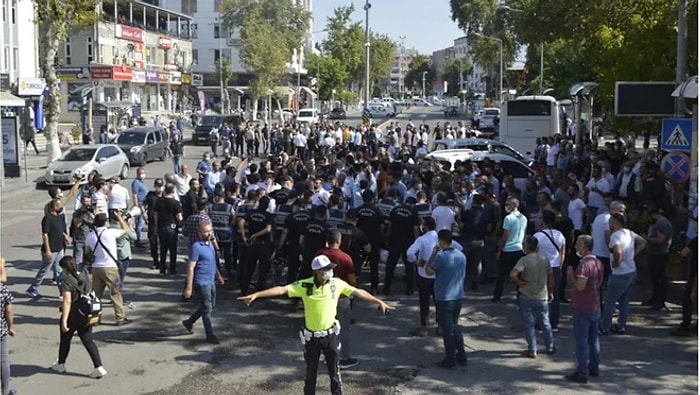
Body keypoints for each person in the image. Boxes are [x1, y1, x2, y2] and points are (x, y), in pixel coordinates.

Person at [238, 255, 392, 395]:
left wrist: (378, 301)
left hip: (330, 336)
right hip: (312, 338)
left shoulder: (336, 284)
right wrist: (257, 295)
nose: (330, 272)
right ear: (317, 271)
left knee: (334, 373)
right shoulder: (305, 286)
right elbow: (282, 289)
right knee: (311, 374)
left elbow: (358, 292)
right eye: (326, 270)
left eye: (330, 269)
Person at [50, 256, 106, 379]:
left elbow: (67, 301)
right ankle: (99, 367)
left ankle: (61, 364)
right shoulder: (83, 276)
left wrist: (64, 320)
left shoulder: (66, 281)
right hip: (86, 313)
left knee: (65, 340)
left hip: (73, 314)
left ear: (64, 268)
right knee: (88, 341)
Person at [315, 230, 359, 369]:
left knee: (326, 327)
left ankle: (326, 355)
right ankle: (344, 358)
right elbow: (352, 280)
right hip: (341, 297)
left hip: (324, 297)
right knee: (343, 328)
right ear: (339, 241)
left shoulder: (319, 255)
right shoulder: (345, 258)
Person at [424, 230, 468, 368]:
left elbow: (428, 271)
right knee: (455, 326)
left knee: (447, 329)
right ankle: (461, 354)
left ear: (441, 241)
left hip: (444, 297)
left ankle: (450, 359)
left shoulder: (442, 256)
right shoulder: (461, 255)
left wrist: (433, 254)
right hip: (458, 296)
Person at [564, 235, 604, 384]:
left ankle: (582, 372)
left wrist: (571, 277)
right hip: (594, 305)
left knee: (582, 341)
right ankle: (594, 368)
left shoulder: (584, 265)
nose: (575, 247)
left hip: (582, 307)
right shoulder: (598, 263)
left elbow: (580, 286)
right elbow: (598, 284)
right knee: (594, 340)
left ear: (584, 246)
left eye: (578, 245)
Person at [600, 213, 647, 334]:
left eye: (610, 222)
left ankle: (605, 327)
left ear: (614, 223)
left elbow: (618, 252)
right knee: (625, 300)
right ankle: (621, 325)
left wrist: (616, 262)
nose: (609, 224)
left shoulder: (615, 236)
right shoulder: (629, 233)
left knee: (610, 300)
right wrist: (632, 254)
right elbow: (642, 241)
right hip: (632, 270)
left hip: (619, 273)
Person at [509, 236, 555, 358]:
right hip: (542, 295)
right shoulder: (545, 260)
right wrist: (550, 292)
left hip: (527, 294)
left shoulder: (524, 260)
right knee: (545, 322)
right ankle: (550, 346)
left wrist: (519, 282)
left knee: (529, 324)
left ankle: (532, 349)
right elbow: (551, 279)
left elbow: (513, 274)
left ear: (526, 247)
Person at [182, 222, 226, 344]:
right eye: (206, 231)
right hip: (202, 283)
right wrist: (189, 288)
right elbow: (191, 267)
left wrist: (218, 276)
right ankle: (210, 335)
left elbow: (212, 262)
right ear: (199, 233)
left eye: (210, 231)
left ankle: (189, 321)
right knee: (207, 309)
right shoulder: (196, 247)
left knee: (210, 306)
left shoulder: (210, 244)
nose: (209, 233)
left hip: (211, 280)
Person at [85, 212, 130, 326]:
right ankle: (120, 317)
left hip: (96, 267)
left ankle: (95, 319)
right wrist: (120, 217)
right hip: (110, 267)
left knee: (96, 295)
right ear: (106, 222)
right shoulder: (110, 232)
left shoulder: (90, 235)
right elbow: (125, 229)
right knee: (115, 293)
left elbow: (87, 253)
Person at [27, 198, 68, 299]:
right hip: (51, 249)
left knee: (59, 270)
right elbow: (45, 235)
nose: (61, 207)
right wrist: (48, 250)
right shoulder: (47, 218)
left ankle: (62, 291)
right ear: (54, 207)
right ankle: (33, 288)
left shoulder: (60, 217)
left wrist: (65, 236)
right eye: (59, 205)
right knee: (44, 270)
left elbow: (61, 230)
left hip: (59, 248)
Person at [533, 210, 566, 332]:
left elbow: (534, 252)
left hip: (542, 267)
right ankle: (554, 323)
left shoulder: (538, 236)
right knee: (555, 296)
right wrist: (560, 264)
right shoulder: (560, 235)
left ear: (543, 221)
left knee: (541, 296)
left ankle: (541, 323)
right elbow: (563, 251)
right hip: (556, 267)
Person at [493, 198, 527, 302]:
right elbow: (524, 233)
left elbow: (505, 235)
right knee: (519, 274)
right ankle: (520, 294)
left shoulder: (508, 218)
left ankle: (497, 296)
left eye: (508, 204)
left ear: (513, 205)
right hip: (519, 248)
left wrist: (500, 249)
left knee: (501, 274)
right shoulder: (524, 218)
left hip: (508, 249)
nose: (506, 206)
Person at [643, 205, 672, 310]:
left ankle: (660, 301)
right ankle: (654, 298)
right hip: (653, 253)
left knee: (660, 278)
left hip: (660, 255)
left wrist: (646, 238)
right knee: (654, 278)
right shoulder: (655, 223)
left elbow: (660, 240)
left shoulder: (663, 224)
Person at [0, 257, 15, 395]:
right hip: (1, 329)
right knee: (3, 360)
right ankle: (5, 391)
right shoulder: (2, 289)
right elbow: (9, 309)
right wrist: (11, 326)